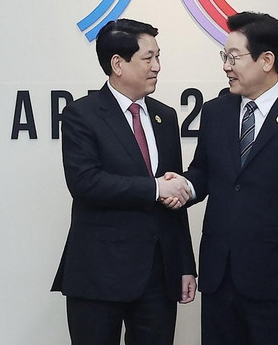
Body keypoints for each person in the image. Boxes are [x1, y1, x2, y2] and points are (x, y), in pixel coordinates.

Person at [178, 11, 278, 345]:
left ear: (267, 60)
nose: (226, 66)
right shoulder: (216, 112)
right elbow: (204, 172)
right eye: (224, 56)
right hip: (220, 273)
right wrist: (184, 186)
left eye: (234, 57)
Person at [51, 18, 197, 345]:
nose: (157, 66)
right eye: (148, 58)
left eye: (159, 57)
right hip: (98, 274)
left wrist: (185, 264)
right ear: (118, 63)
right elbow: (86, 183)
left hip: (158, 277)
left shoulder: (165, 116)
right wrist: (156, 188)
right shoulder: (81, 115)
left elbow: (175, 199)